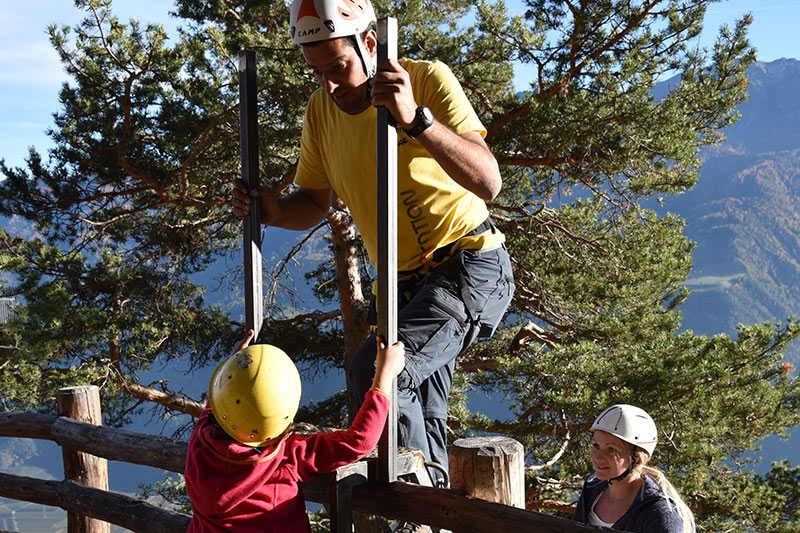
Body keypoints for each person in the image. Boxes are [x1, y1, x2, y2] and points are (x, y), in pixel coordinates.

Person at [231, 0, 514, 498]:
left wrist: (416, 120)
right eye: (317, 73)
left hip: (468, 264)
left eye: (337, 67)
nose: (330, 85)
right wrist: (273, 212)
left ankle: (411, 510)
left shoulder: (425, 79)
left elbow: (488, 180)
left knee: (377, 372)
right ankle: (435, 503)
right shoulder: (322, 111)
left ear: (369, 43)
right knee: (419, 411)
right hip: (399, 288)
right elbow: (315, 200)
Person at [184, 329, 406, 532]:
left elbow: (222, 405)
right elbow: (359, 441)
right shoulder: (284, 456)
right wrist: (383, 377)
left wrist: (236, 368)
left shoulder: (201, 440)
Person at [572, 404, 696, 533]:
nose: (598, 457)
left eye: (611, 449)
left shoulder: (659, 513)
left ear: (636, 458)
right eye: (596, 445)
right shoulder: (591, 488)